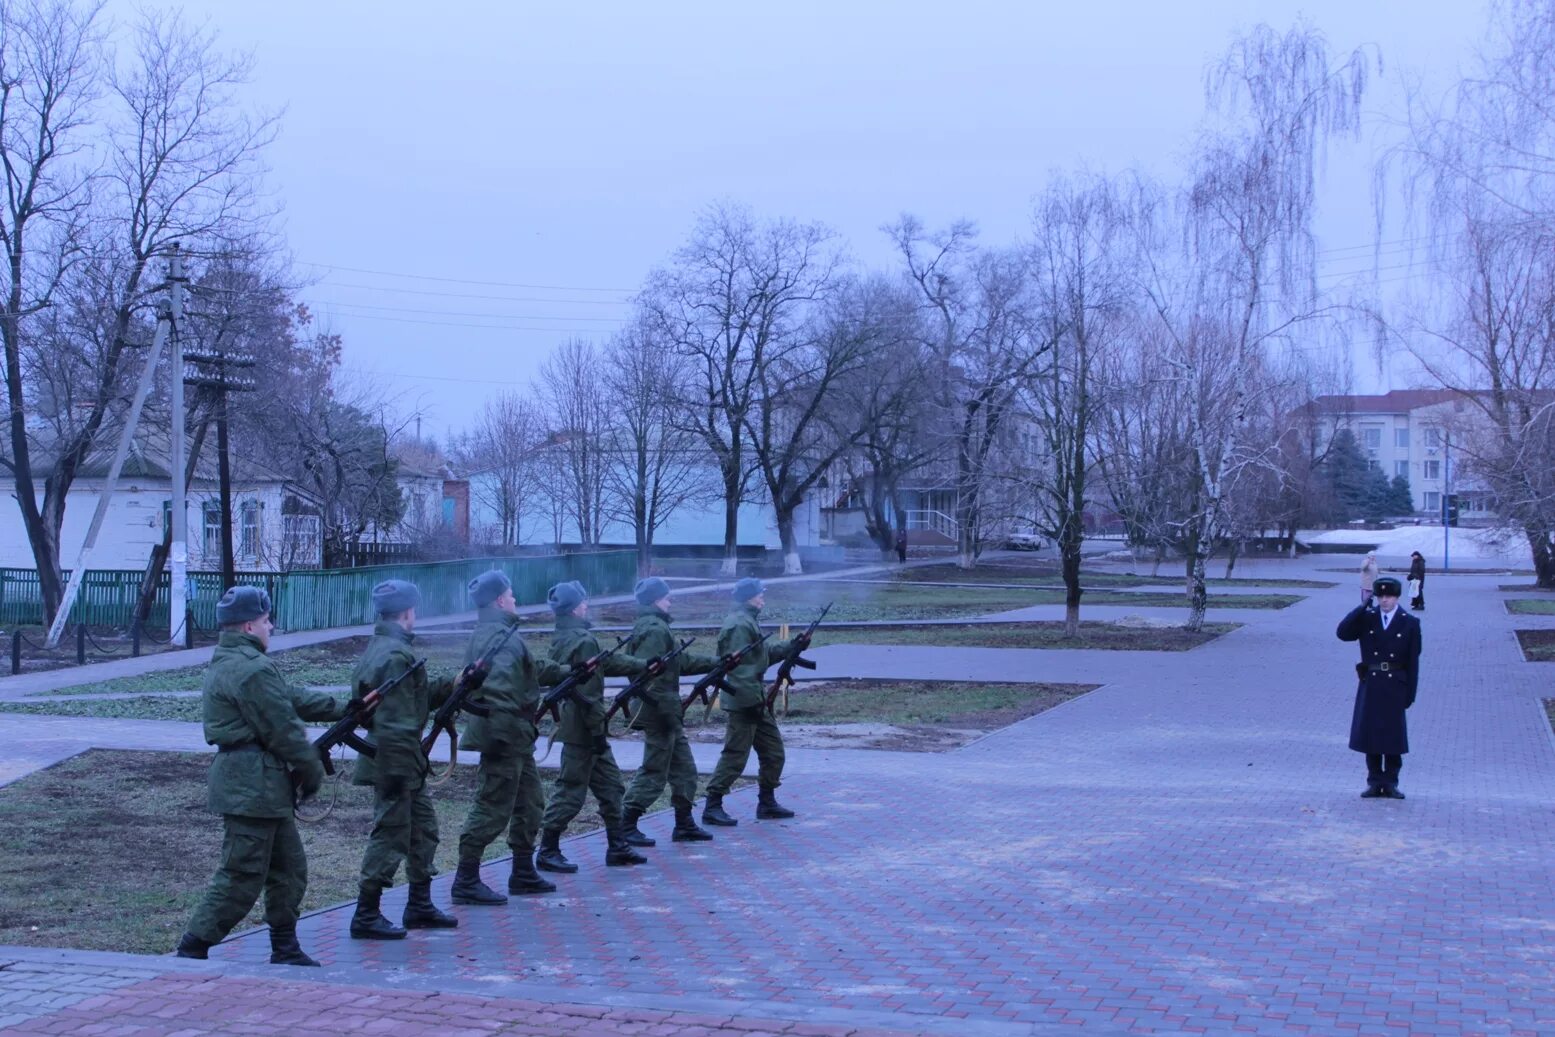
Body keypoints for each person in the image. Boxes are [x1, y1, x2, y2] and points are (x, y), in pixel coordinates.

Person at [174, 586, 348, 966]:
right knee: (241, 875)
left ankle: (284, 948)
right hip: (251, 786)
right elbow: (283, 728)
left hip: (257, 786)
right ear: (251, 625)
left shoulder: (236, 662)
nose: (271, 627)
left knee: (289, 869)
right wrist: (311, 770)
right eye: (268, 621)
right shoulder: (251, 669)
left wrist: (348, 707)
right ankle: (192, 948)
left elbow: (286, 698)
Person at [348, 579, 460, 940]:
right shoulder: (395, 654)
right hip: (395, 762)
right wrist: (399, 771)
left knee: (423, 831)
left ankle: (419, 904)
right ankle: (366, 913)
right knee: (391, 835)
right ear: (409, 612)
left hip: (402, 761)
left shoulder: (386, 647)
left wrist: (456, 683)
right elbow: (396, 719)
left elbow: (413, 701)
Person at [452, 569, 572, 905]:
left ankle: (522, 871)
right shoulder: (497, 635)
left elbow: (528, 668)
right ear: (499, 600)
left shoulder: (501, 633)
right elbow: (500, 690)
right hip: (505, 738)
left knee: (530, 804)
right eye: (511, 594)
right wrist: (507, 737)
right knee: (492, 808)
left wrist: (567, 671)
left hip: (514, 738)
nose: (516, 599)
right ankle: (465, 880)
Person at [536, 581, 652, 871]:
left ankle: (618, 846)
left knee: (612, 787)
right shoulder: (582, 639)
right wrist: (597, 733)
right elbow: (588, 695)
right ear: (575, 608)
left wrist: (641, 665)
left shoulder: (565, 636)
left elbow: (604, 663)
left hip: (583, 726)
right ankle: (548, 850)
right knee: (571, 790)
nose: (587, 606)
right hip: (584, 729)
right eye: (583, 602)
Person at [620, 577, 721, 846]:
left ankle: (684, 823)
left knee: (685, 769)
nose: (670, 600)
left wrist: (716, 663)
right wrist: (664, 712)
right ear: (655, 600)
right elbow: (648, 676)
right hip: (659, 712)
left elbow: (678, 663)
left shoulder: (658, 627)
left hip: (667, 712)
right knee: (654, 770)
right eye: (666, 597)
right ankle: (626, 823)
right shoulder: (654, 630)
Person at [702, 578, 808, 827]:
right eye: (760, 594)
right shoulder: (739, 624)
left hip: (754, 700)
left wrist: (793, 646)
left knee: (773, 752)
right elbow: (738, 668)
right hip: (745, 701)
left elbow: (760, 656)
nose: (763, 598)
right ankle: (712, 805)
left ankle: (767, 802)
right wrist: (751, 701)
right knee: (735, 756)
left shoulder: (747, 620)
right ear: (750, 596)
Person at [1337, 576, 1422, 800]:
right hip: (1372, 682)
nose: (1385, 600)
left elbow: (1413, 662)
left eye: (1389, 596)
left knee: (1393, 737)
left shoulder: (1410, 622)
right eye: (1381, 596)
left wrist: (1410, 693)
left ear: (1396, 597)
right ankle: (1374, 781)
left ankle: (1391, 782)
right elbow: (1343, 633)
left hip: (1396, 682)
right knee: (1371, 735)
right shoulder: (1367, 618)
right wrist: (1362, 606)